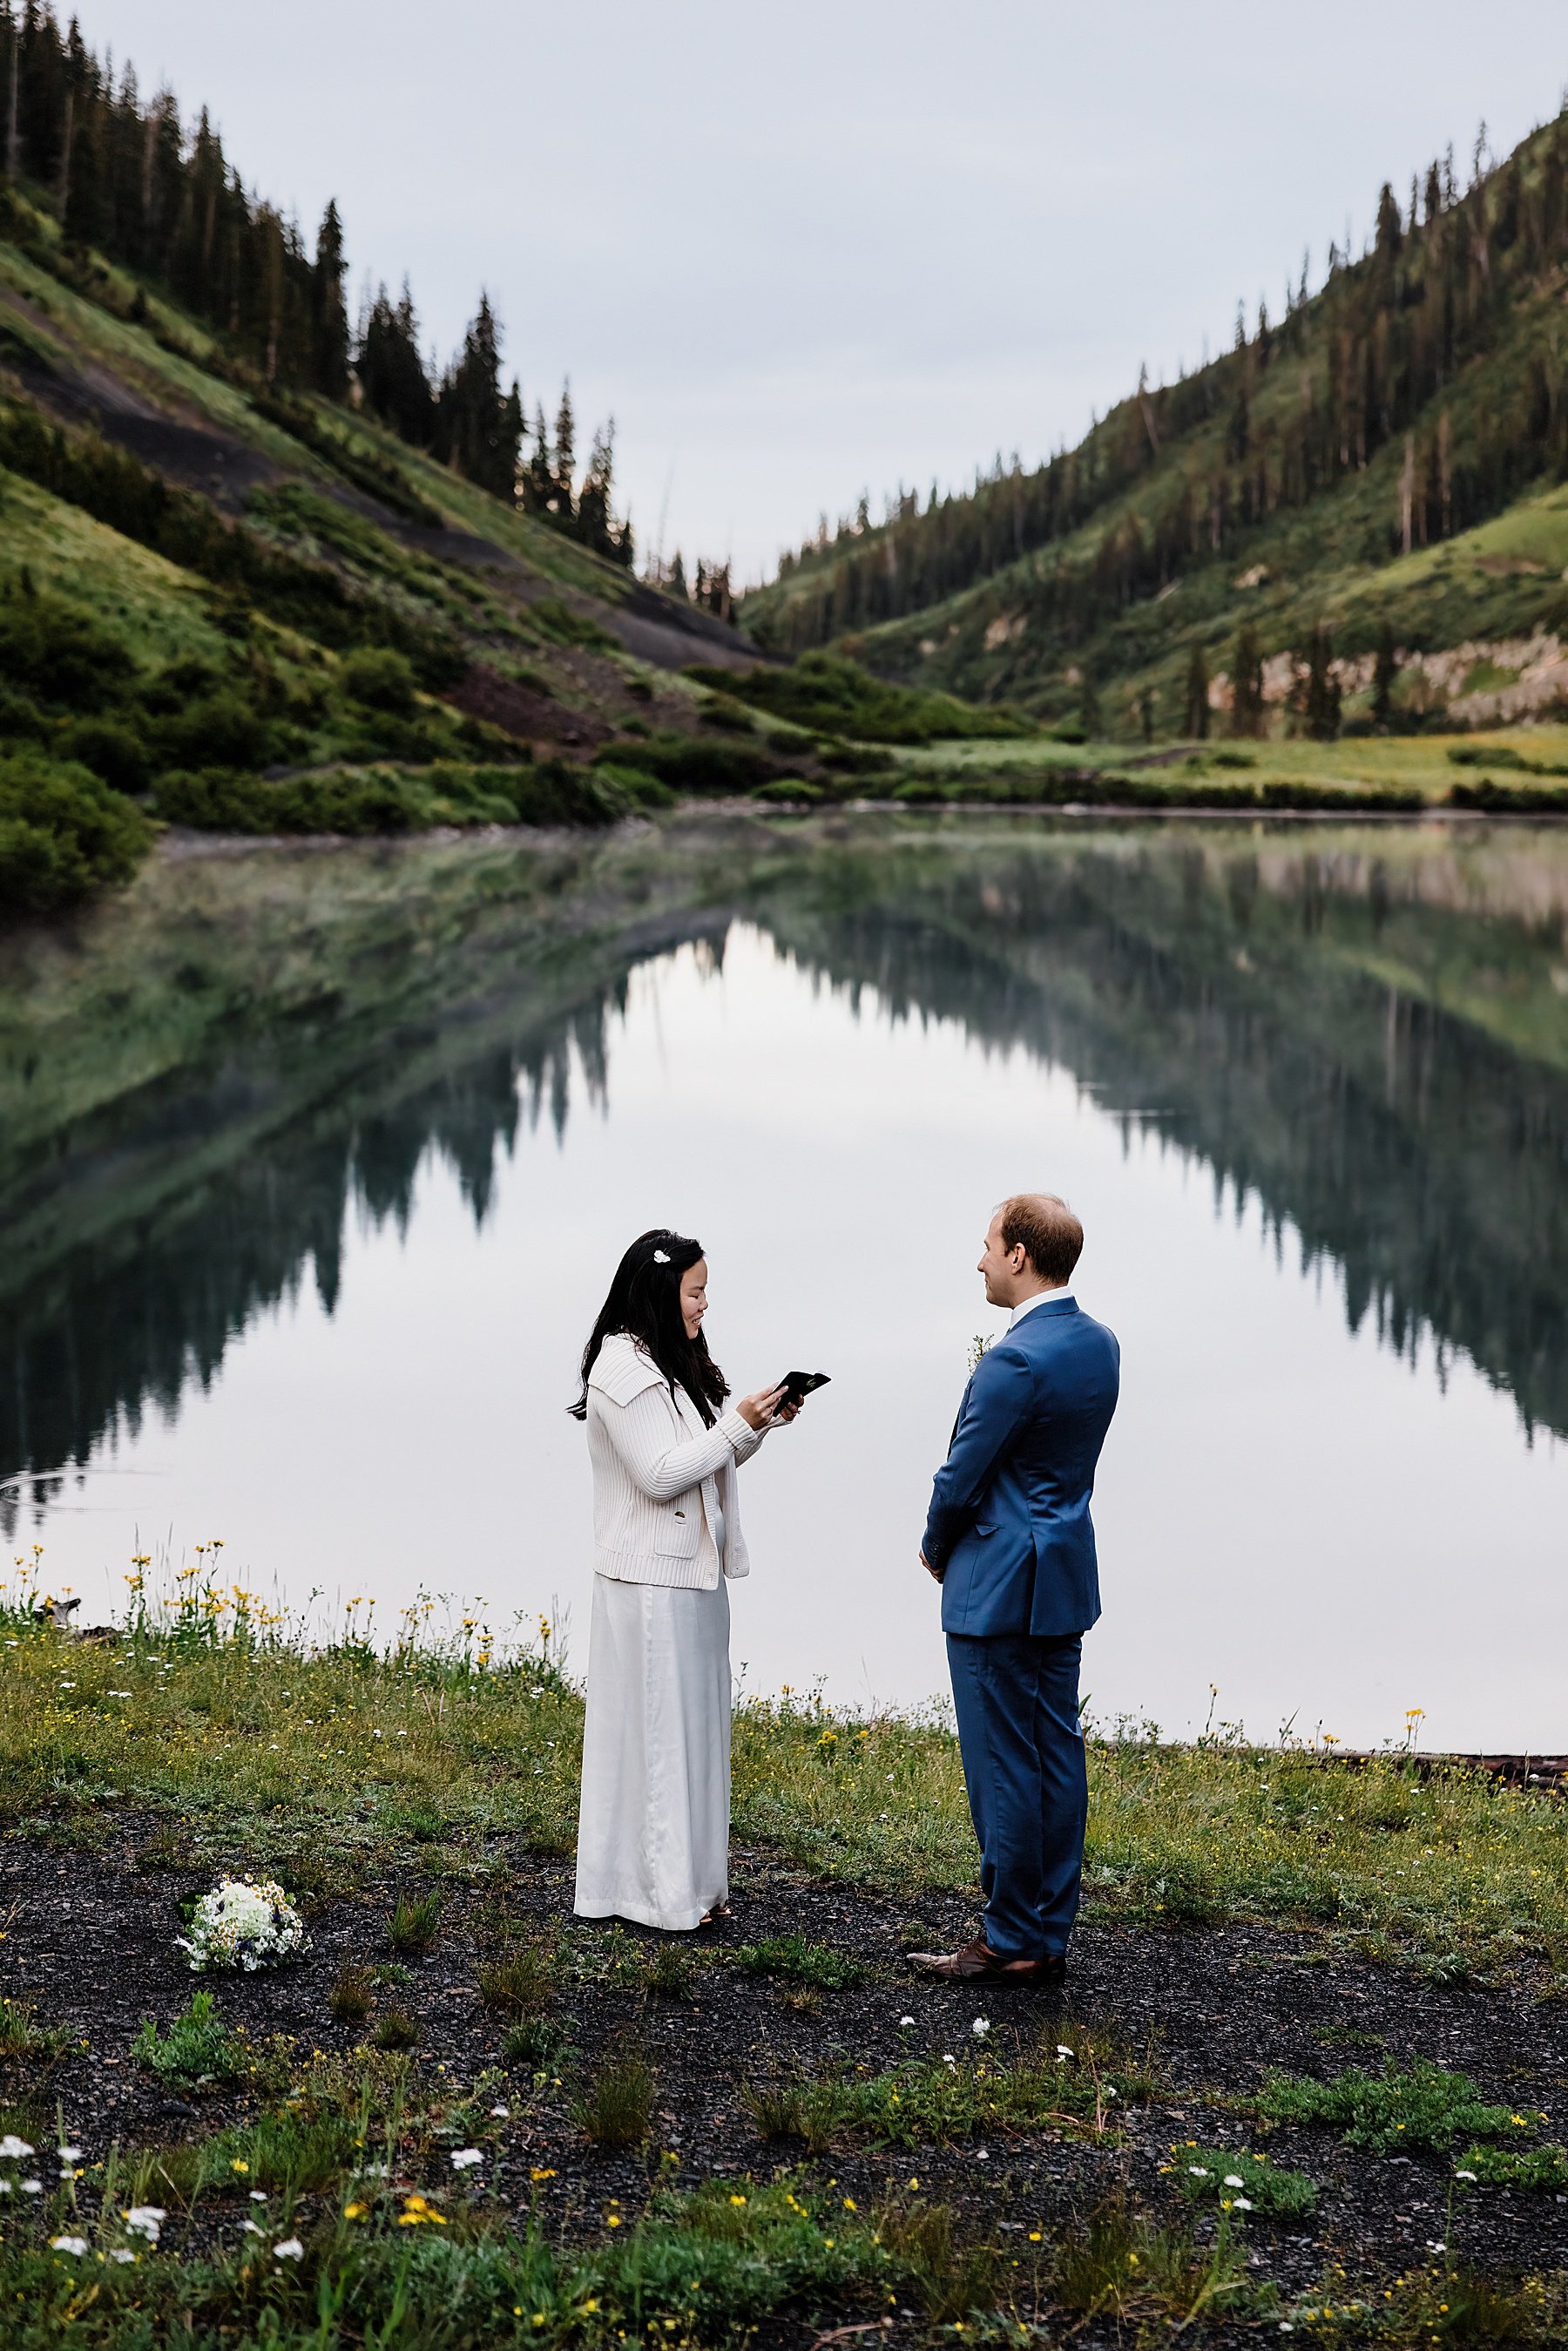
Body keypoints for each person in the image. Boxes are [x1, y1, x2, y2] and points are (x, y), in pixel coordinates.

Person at [910, 1194, 1119, 1987]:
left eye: (988, 1246)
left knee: (1002, 1761)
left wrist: (935, 1546)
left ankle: (1007, 1938)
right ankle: (1047, 1930)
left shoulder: (1013, 1361)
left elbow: (963, 1473)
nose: (981, 1260)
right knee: (1056, 1754)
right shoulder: (1100, 1344)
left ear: (1021, 1256)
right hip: (1060, 1573)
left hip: (997, 1583)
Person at [570, 1228, 794, 1933]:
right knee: (660, 1736)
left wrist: (758, 1429)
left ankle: (694, 1886)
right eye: (695, 1292)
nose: (704, 1306)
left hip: (688, 1575)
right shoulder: (622, 1372)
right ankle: (656, 1896)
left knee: (695, 1731)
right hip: (649, 1586)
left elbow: (699, 1464)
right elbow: (661, 1474)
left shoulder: (667, 1360)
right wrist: (735, 1427)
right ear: (661, 1293)